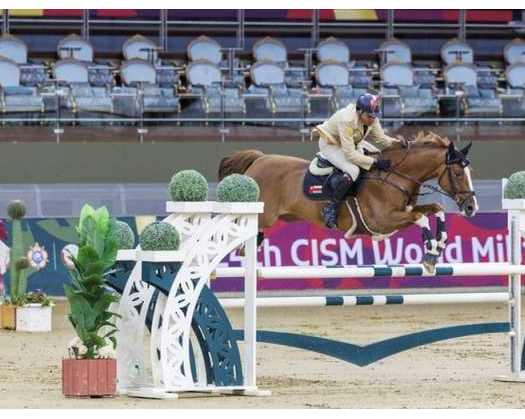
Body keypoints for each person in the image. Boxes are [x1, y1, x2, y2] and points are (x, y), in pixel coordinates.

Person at [311, 93, 404, 229]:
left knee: (377, 154)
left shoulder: (371, 117)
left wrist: (401, 143)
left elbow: (381, 139)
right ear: (360, 112)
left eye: (374, 117)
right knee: (353, 170)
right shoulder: (346, 120)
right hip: (331, 144)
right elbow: (350, 154)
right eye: (370, 117)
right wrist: (374, 163)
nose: (372, 120)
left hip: (351, 143)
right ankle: (331, 208)